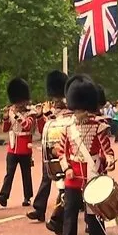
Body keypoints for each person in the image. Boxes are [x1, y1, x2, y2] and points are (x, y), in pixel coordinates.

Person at [55, 74, 115, 235]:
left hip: (92, 171)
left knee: (92, 210)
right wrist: (66, 169)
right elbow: (61, 152)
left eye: (81, 110)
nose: (77, 113)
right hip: (73, 174)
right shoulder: (67, 127)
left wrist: (110, 160)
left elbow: (107, 150)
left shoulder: (99, 127)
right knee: (70, 210)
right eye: (76, 110)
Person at [29, 70, 69, 222]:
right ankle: (39, 209)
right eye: (54, 98)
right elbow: (42, 131)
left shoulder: (69, 111)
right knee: (46, 178)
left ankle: (60, 215)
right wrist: (41, 116)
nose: (56, 101)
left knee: (65, 183)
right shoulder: (51, 112)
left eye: (59, 98)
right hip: (50, 151)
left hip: (64, 150)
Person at [0, 78, 38, 208]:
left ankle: (27, 197)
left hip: (25, 147)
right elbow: (6, 129)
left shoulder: (31, 112)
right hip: (12, 147)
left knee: (26, 174)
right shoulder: (12, 111)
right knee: (9, 173)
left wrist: (17, 115)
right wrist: (6, 117)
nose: (18, 104)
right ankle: (4, 196)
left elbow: (27, 126)